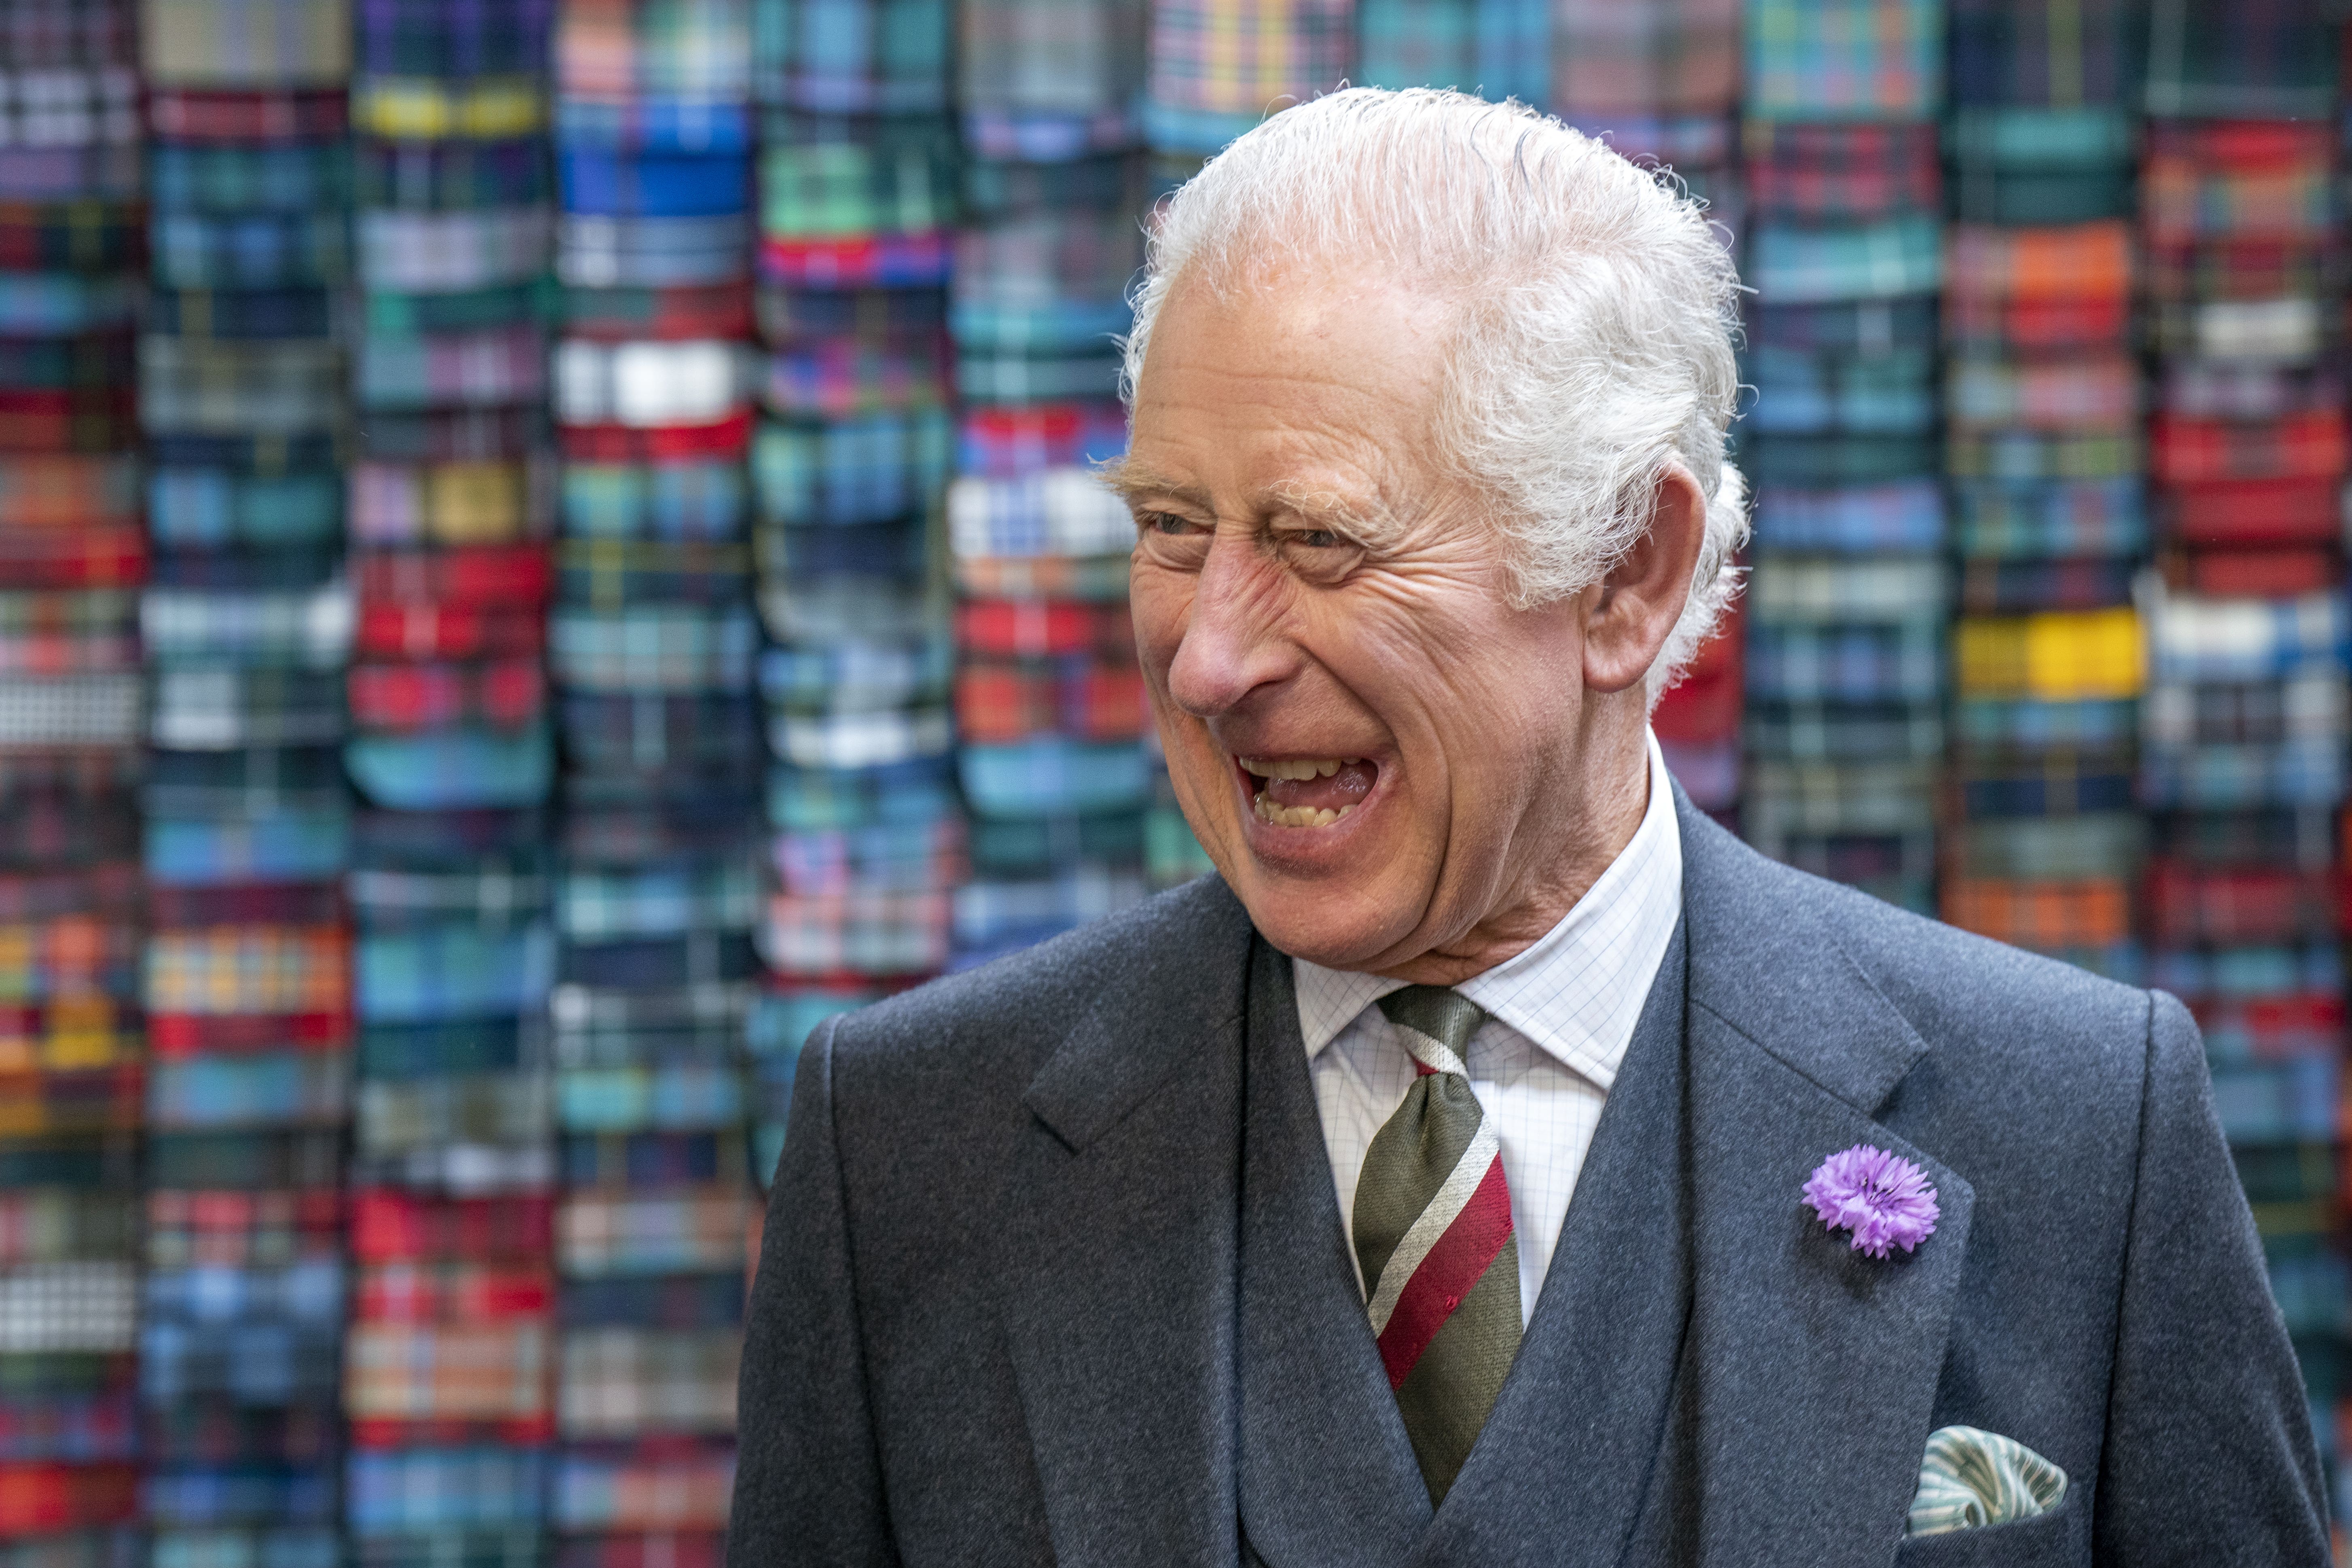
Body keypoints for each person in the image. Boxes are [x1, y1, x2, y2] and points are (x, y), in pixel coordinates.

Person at [727, 88, 2327, 1565]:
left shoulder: (2076, 1135)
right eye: (1168, 528)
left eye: (1320, 539)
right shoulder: (908, 1152)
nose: (1208, 656)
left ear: (1626, 572)